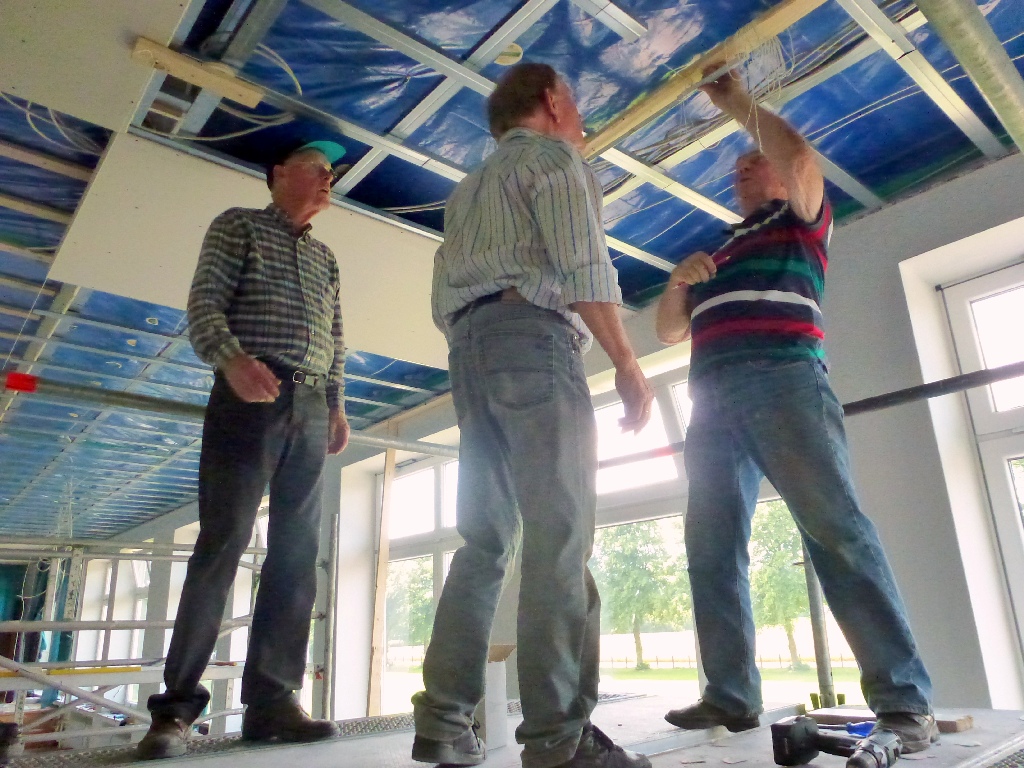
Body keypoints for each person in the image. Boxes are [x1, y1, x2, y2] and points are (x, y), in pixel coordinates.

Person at [654, 70, 938, 752]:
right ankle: (730, 696)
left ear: (780, 177)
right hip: (710, 399)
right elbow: (668, 332)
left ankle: (904, 702)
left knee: (836, 532)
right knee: (710, 549)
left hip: (784, 379)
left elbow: (801, 157)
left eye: (756, 161)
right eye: (738, 168)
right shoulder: (719, 250)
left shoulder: (802, 225)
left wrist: (734, 102)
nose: (744, 168)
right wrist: (677, 282)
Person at [411, 62, 655, 768]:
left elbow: (444, 288)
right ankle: (559, 740)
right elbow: (584, 265)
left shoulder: (467, 190)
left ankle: (444, 722)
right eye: (572, 101)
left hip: (469, 350)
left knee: (485, 542)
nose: (578, 116)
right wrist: (628, 364)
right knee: (560, 536)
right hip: (534, 341)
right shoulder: (553, 159)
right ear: (552, 100)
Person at [137, 139, 351, 759]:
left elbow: (336, 337)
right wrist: (232, 361)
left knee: (297, 554)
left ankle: (272, 703)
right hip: (249, 393)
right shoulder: (238, 226)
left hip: (311, 404)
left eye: (332, 174)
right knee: (222, 543)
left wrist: (336, 403)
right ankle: (175, 710)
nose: (328, 179)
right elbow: (204, 305)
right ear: (279, 174)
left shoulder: (327, 258)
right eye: (316, 169)